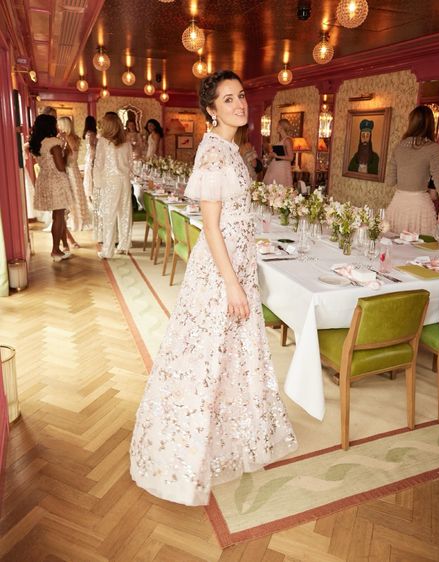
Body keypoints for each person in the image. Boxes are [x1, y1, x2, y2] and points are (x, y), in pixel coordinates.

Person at [130, 70, 297, 507]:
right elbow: (211, 225)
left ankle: (226, 438)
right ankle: (187, 453)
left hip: (236, 264)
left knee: (227, 357)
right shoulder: (214, 155)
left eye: (241, 96)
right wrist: (232, 285)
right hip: (221, 273)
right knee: (204, 358)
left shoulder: (230, 148)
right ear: (210, 109)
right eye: (228, 99)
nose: (239, 104)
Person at [386, 105, 439, 235]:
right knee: (420, 252)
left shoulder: (399, 147)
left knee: (394, 249)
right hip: (419, 208)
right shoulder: (433, 148)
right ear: (431, 124)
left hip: (398, 204)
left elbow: (390, 181)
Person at [29, 114, 73, 261]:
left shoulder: (37, 143)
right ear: (50, 126)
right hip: (56, 181)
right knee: (59, 216)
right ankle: (55, 250)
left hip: (45, 179)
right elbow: (61, 167)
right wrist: (66, 152)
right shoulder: (54, 142)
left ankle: (58, 248)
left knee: (57, 216)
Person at [94, 112, 133, 259]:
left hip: (110, 181)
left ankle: (108, 250)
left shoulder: (103, 142)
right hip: (124, 180)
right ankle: (124, 245)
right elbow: (130, 164)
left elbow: (98, 164)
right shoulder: (127, 142)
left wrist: (97, 184)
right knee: (125, 213)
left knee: (108, 215)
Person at [57, 116, 90, 238]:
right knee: (74, 195)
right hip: (72, 168)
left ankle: (76, 221)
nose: (58, 127)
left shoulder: (69, 137)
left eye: (59, 125)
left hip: (70, 168)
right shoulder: (68, 137)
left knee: (73, 196)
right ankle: (75, 220)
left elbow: (73, 154)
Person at [263, 118, 294, 187]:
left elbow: (291, 157)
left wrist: (276, 156)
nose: (276, 127)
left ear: (281, 127)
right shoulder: (282, 140)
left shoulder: (287, 140)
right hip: (276, 166)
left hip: (282, 169)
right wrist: (271, 155)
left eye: (277, 125)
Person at [82, 116, 97, 203]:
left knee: (89, 176)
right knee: (91, 176)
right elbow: (92, 147)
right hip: (92, 157)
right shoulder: (91, 133)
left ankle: (90, 196)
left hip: (89, 156)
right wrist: (93, 159)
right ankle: (92, 195)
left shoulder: (87, 133)